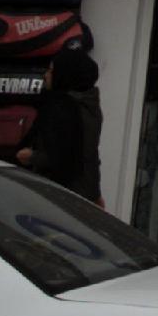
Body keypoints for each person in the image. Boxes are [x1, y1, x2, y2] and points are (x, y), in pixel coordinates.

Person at [17, 48, 103, 203]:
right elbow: (89, 155)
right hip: (86, 191)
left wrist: (31, 157)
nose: (46, 75)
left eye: (51, 71)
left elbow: (64, 158)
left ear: (64, 74)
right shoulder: (90, 104)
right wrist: (96, 193)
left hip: (63, 195)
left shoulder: (64, 109)